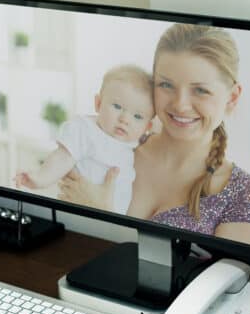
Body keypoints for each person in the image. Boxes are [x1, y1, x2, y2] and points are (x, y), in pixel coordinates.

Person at [59, 24, 250, 245]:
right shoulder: (109, 144)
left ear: (232, 98)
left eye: (200, 90)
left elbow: (222, 278)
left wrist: (103, 218)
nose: (180, 105)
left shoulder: (246, 196)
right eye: (166, 85)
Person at [16, 65, 154, 214]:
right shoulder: (86, 129)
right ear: (98, 104)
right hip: (76, 211)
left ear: (147, 126)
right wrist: (40, 178)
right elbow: (62, 157)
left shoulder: (133, 146)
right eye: (117, 106)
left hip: (111, 224)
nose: (125, 119)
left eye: (137, 116)